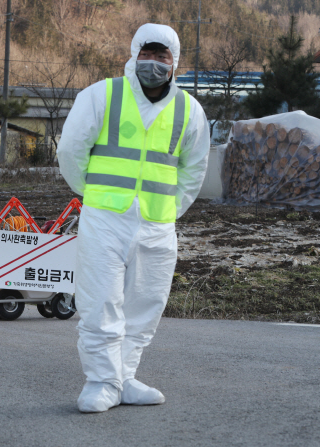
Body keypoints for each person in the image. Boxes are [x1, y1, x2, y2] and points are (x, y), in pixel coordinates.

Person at [57, 24, 210, 413]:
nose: (154, 63)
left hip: (158, 224)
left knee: (146, 304)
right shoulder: (102, 95)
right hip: (106, 218)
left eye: (163, 57)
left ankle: (123, 377)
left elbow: (194, 170)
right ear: (134, 54)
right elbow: (72, 150)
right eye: (148, 53)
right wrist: (91, 193)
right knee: (100, 302)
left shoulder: (190, 110)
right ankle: (100, 382)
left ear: (175, 63)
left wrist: (170, 210)